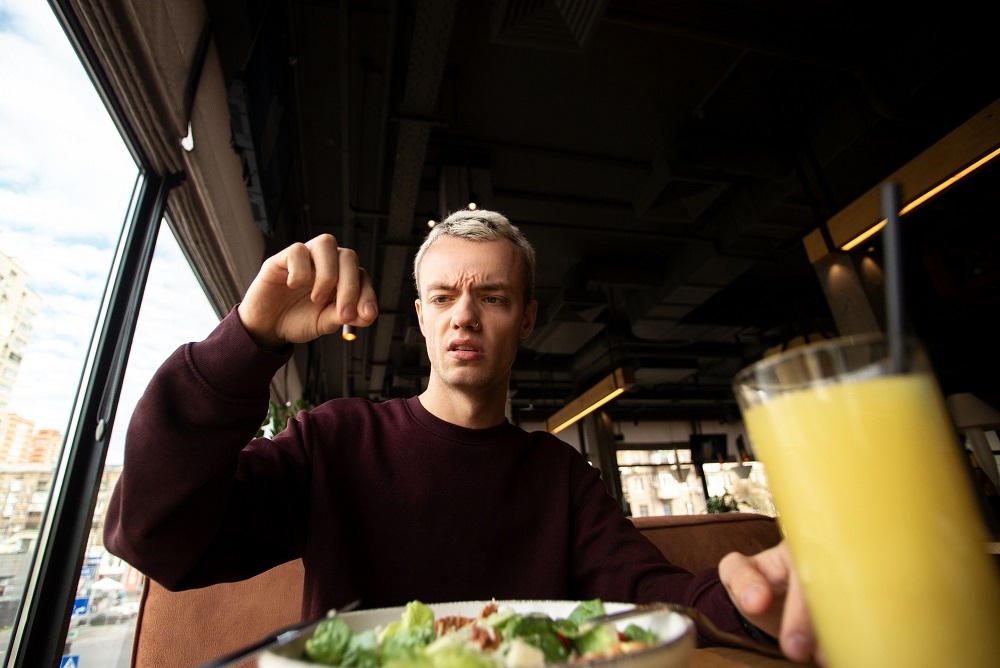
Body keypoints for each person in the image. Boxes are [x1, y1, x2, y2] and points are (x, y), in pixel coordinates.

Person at [104, 209, 819, 663]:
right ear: (419, 317)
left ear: (528, 319)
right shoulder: (335, 441)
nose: (464, 316)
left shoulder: (561, 477)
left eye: (493, 297)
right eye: (444, 297)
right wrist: (248, 342)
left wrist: (750, 600)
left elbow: (656, 603)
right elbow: (157, 538)